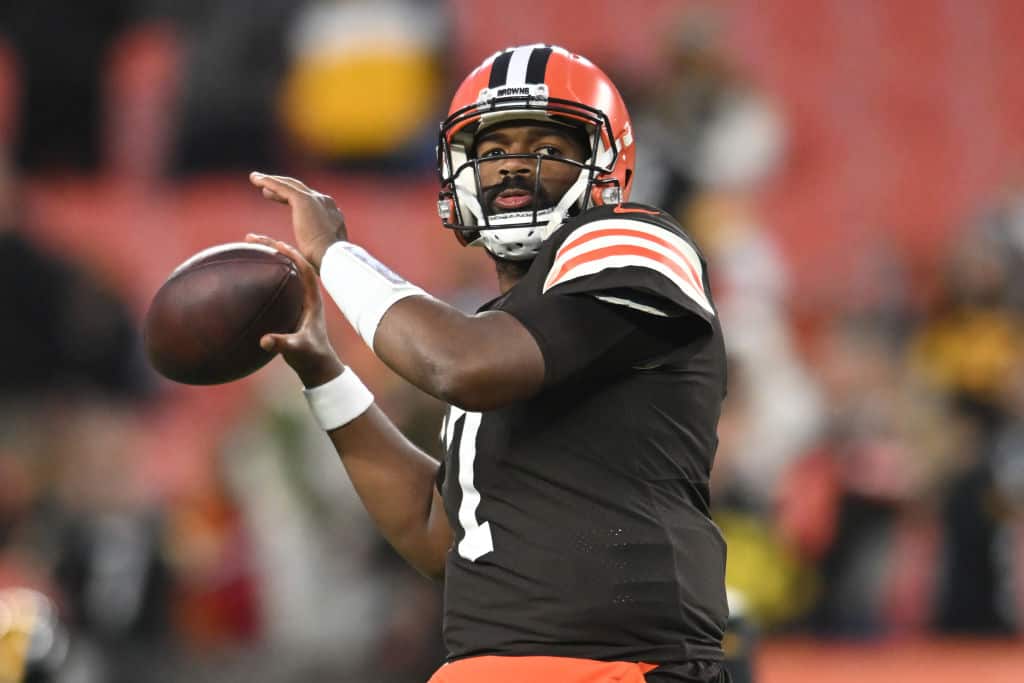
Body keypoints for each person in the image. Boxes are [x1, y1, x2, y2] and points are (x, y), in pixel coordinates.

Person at [246, 44, 730, 683]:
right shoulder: (495, 326)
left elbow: (460, 366)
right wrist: (325, 372)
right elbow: (438, 530)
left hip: (617, 666)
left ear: (604, 165)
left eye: (547, 147)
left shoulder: (634, 242)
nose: (511, 168)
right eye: (493, 150)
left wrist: (333, 255)